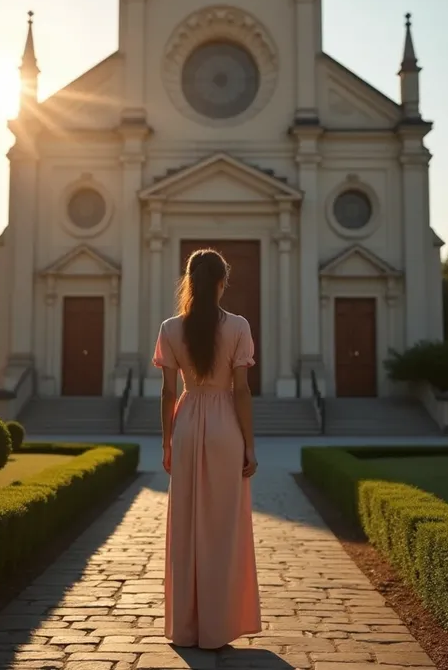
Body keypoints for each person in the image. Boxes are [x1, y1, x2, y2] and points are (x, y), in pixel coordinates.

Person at [152, 247, 261, 650]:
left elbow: (167, 394)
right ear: (221, 283)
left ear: (189, 281)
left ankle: (186, 628)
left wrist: (166, 441)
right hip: (225, 428)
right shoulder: (238, 327)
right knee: (223, 530)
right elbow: (242, 391)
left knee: (186, 528)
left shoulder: (169, 328)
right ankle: (218, 627)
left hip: (186, 422)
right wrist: (250, 445)